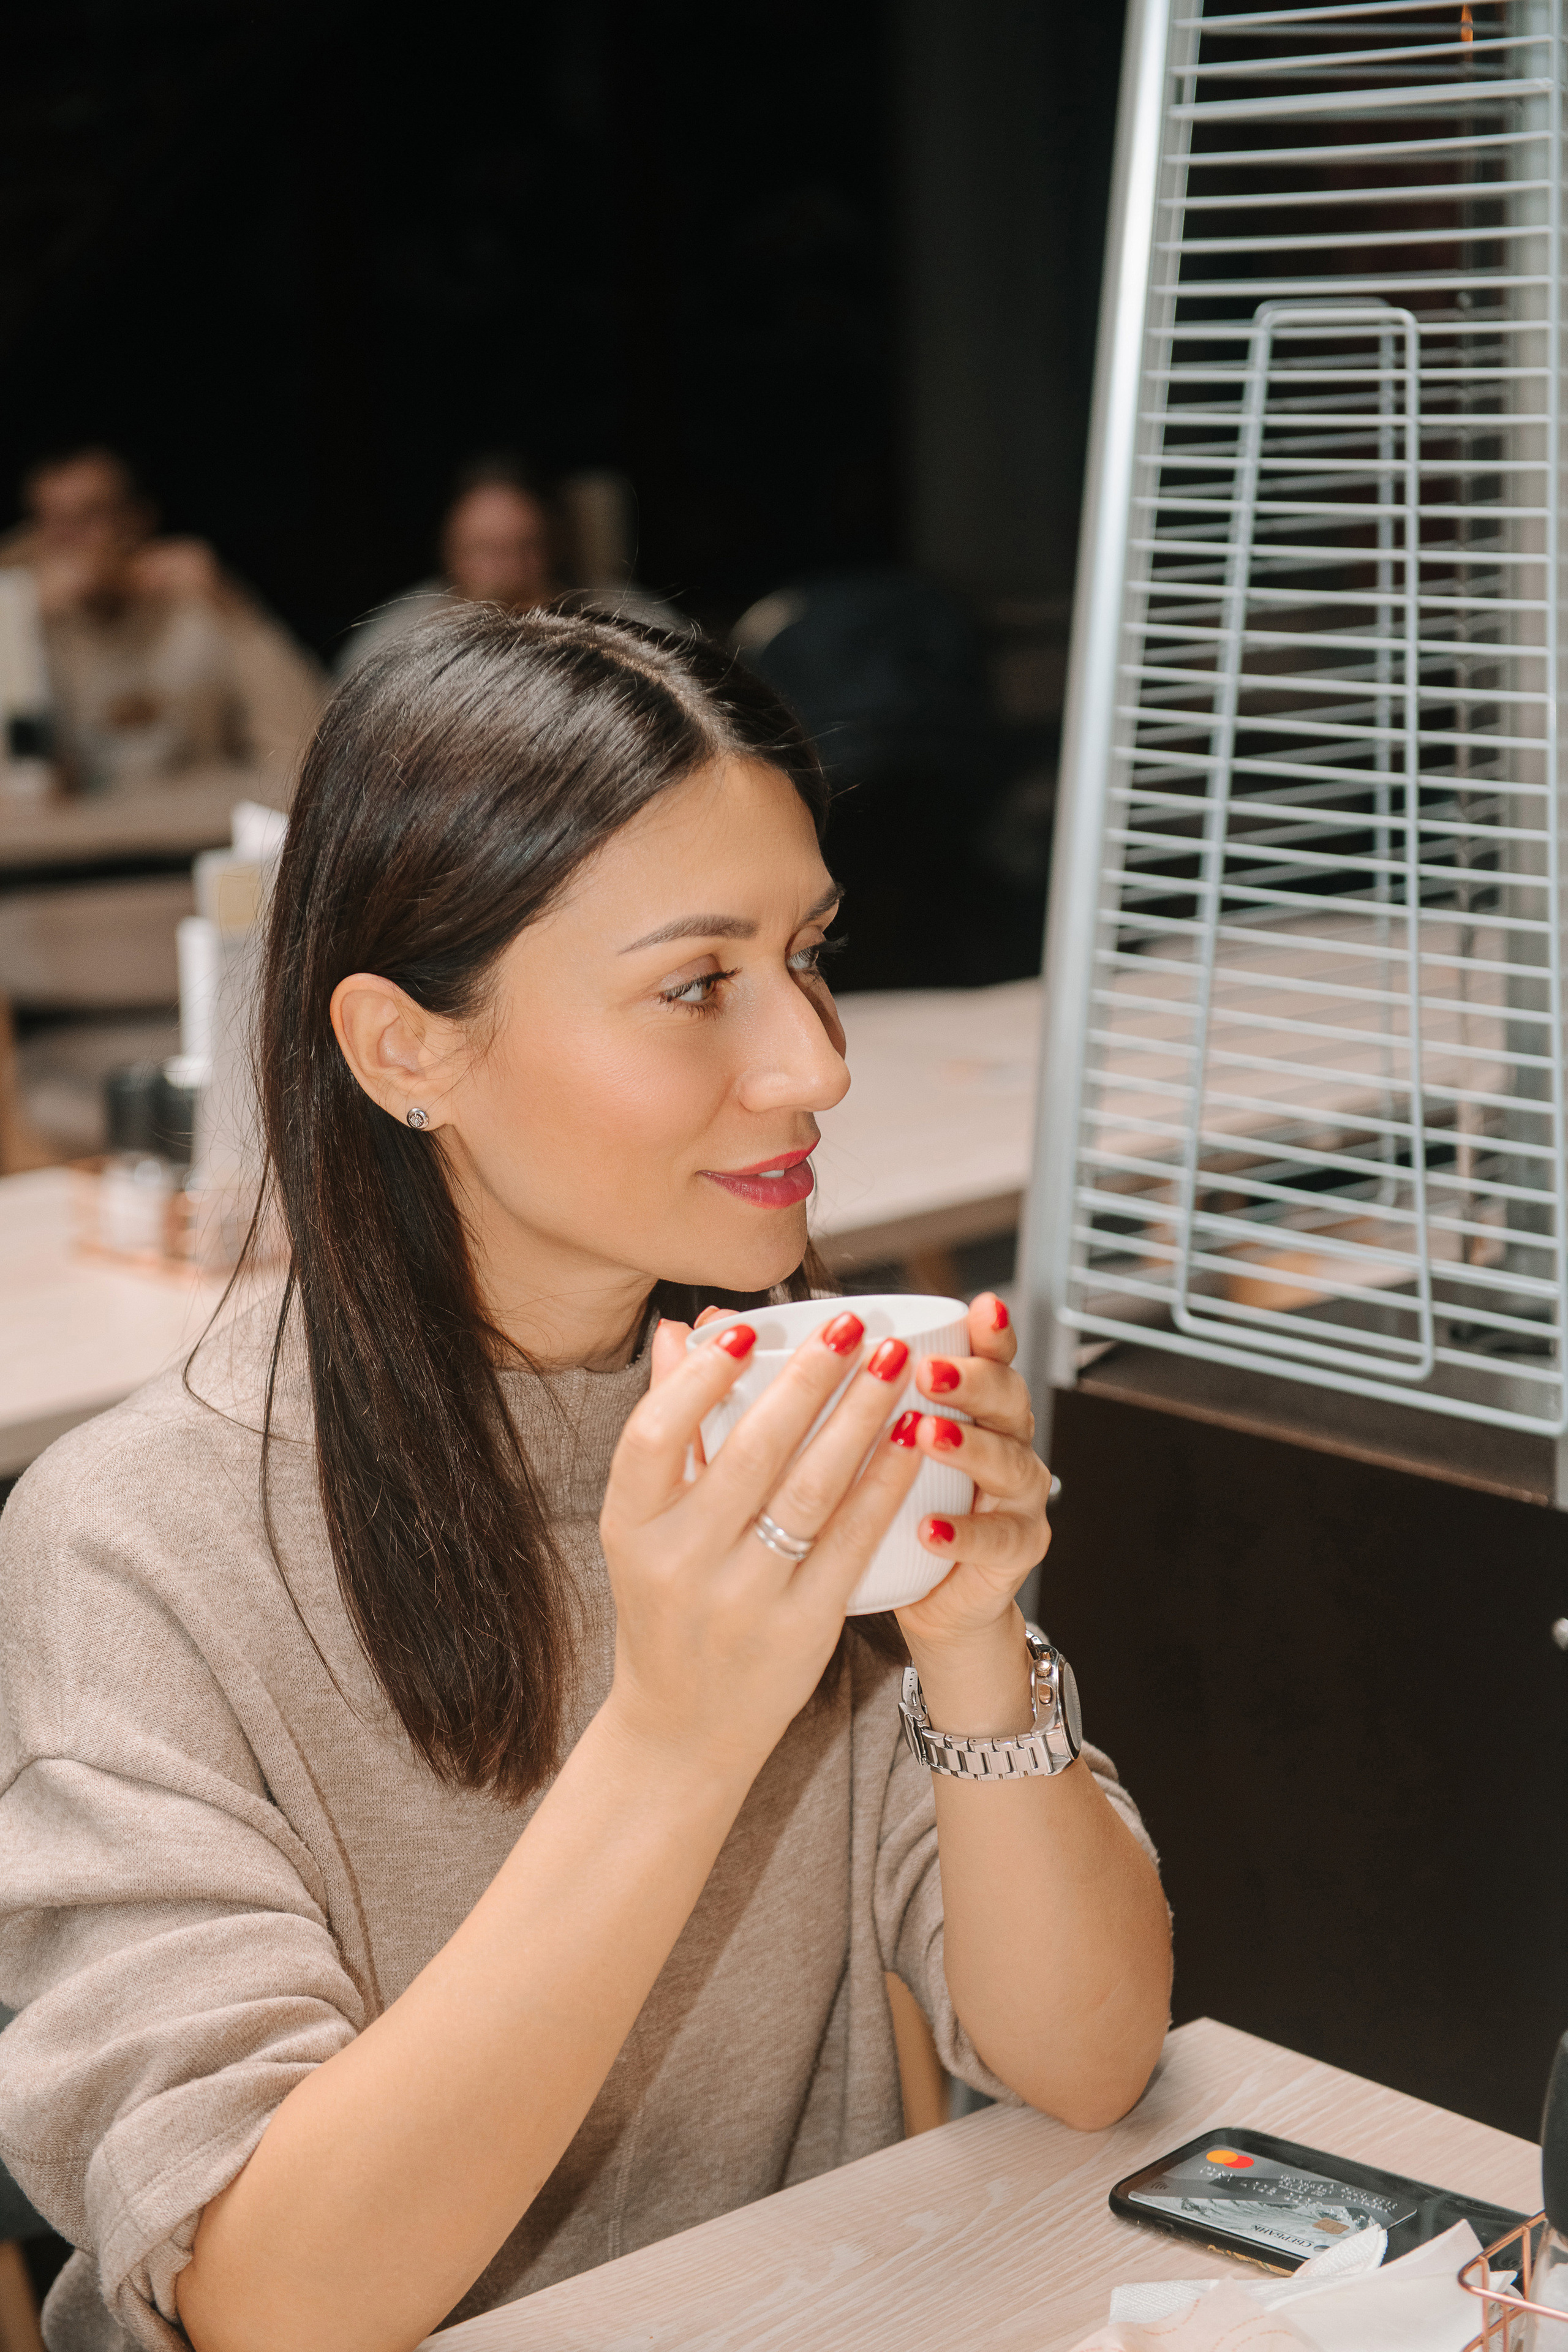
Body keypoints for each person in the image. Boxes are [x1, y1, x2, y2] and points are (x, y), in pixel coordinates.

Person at [0, 606, 1171, 2352]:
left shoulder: (784, 1411)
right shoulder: (133, 1542)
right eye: (697, 984)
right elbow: (267, 2301)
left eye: (809, 954)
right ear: (406, 1049)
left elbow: (1084, 2059)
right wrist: (679, 1734)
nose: (816, 1061)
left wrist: (973, 1635)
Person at [0, 447, 324, 797]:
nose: (71, 541)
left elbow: (304, 743)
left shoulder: (194, 607)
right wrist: (13, 622)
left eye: (90, 517)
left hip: (200, 817)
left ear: (136, 519)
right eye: (55, 523)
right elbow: (16, 787)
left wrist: (236, 612)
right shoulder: (30, 621)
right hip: (84, 829)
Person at [336, 456, 680, 674]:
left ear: (555, 545)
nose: (506, 569)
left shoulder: (628, 622)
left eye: (524, 547)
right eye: (484, 550)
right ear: (448, 551)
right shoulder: (393, 641)